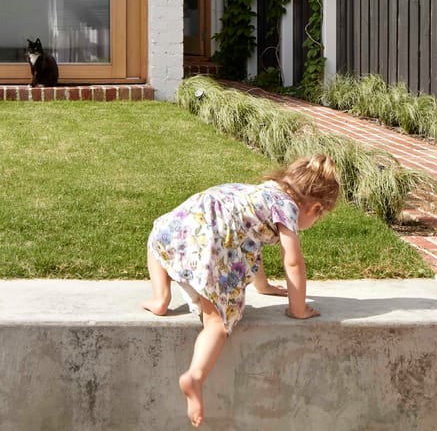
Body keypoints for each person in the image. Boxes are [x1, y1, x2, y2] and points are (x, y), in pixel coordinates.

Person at [141, 153, 341, 427]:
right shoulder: (289, 209)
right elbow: (292, 261)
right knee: (217, 322)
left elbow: (249, 242)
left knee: (157, 238)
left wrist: (264, 286)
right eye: (319, 217)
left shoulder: (268, 191)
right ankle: (195, 377)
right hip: (213, 239)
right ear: (315, 208)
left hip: (185, 222)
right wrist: (298, 309)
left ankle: (160, 297)